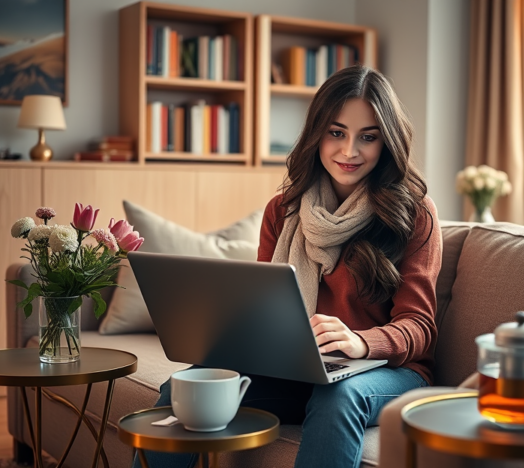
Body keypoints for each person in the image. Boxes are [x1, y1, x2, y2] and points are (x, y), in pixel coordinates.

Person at [135, 64, 442, 468]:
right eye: (336, 133)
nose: (350, 151)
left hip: (387, 371)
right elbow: (263, 306)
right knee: (185, 386)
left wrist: (361, 342)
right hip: (298, 371)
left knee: (339, 395)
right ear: (316, 133)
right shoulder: (283, 210)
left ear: (387, 141)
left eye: (368, 137)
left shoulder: (414, 213)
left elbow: (419, 328)